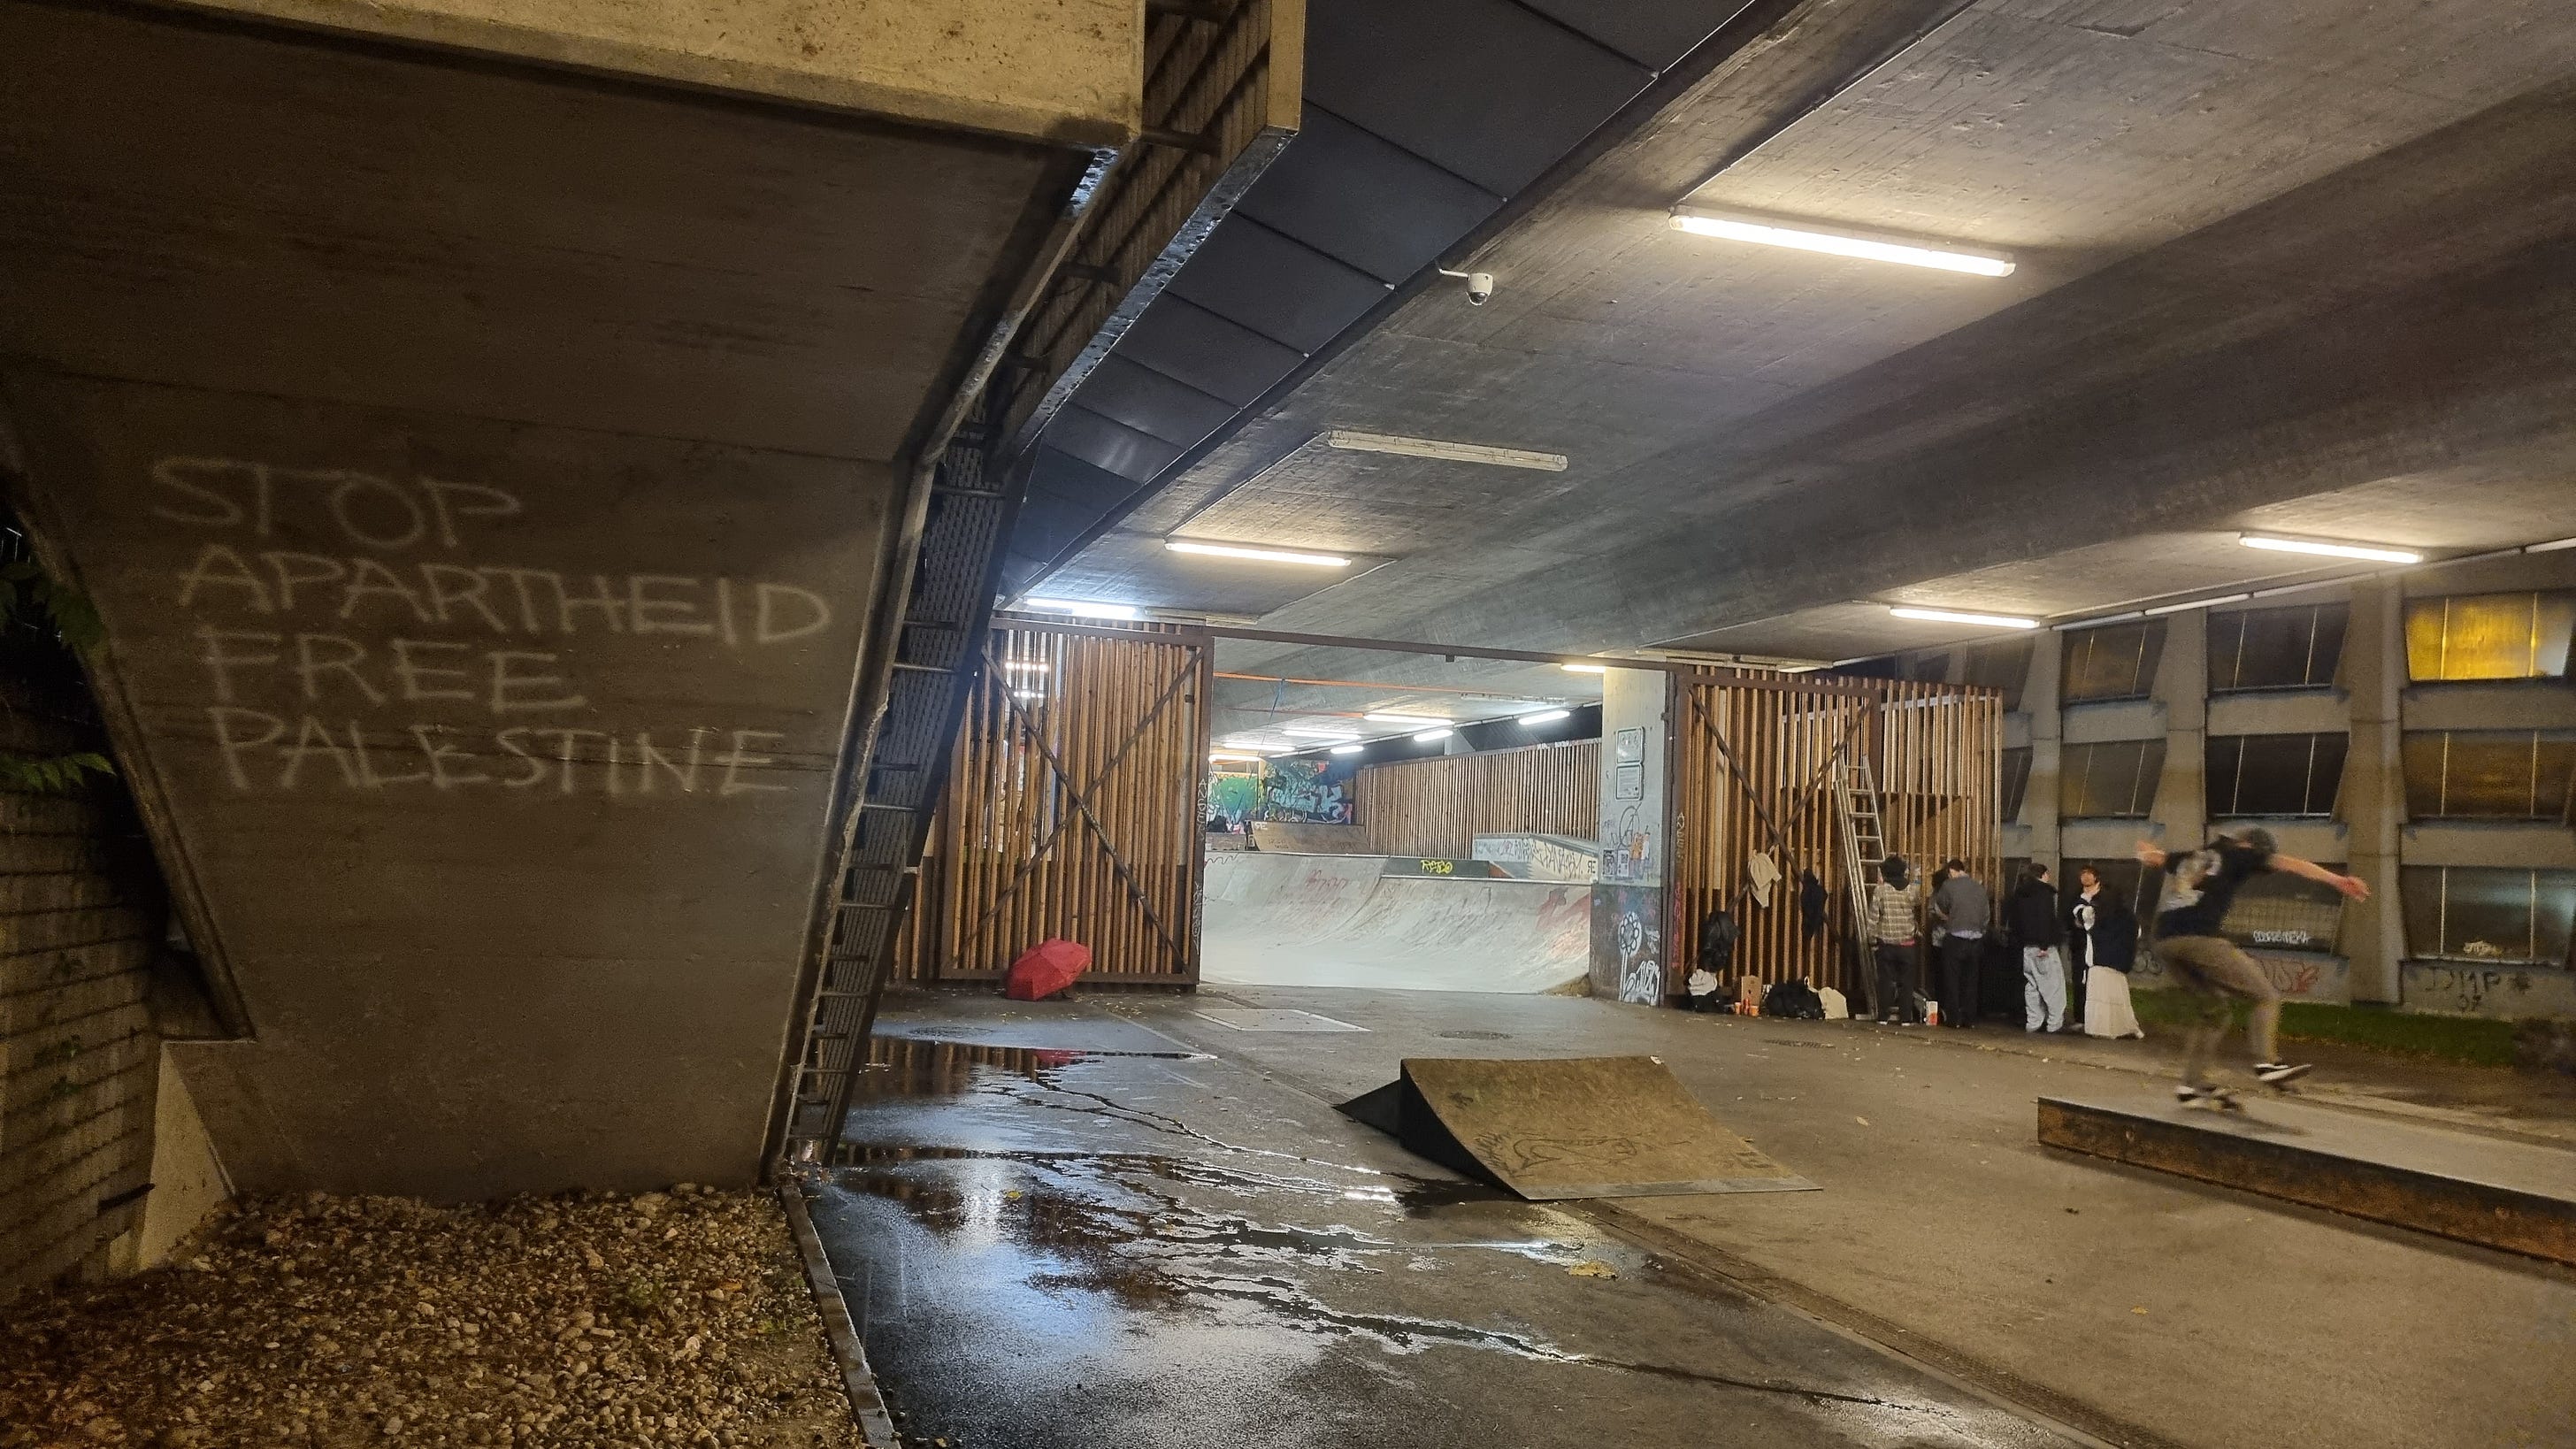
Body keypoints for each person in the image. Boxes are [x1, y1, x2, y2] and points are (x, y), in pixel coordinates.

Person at [2138, 829, 2369, 1102]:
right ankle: (2267, 1063)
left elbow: (2157, 858)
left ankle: (2191, 1085)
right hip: (2199, 939)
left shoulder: (2194, 856)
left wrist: (2146, 852)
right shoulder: (2239, 853)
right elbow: (2290, 864)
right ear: (2250, 845)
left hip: (2164, 942)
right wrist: (2339, 881)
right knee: (2266, 997)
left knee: (2215, 1013)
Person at [2067, 866, 2144, 1039]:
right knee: (2120, 998)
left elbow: (2079, 916)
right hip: (2120, 963)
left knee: (2100, 998)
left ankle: (2103, 1029)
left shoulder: (2096, 914)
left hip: (2099, 960)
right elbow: (2137, 933)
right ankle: (2126, 1027)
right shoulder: (2129, 917)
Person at [2006, 862, 2071, 1033]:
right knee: (2053, 987)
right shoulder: (2044, 894)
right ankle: (2054, 1024)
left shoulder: (2019, 894)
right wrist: (2044, 944)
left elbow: (2015, 922)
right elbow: (2045, 920)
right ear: (2043, 875)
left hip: (2026, 948)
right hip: (2043, 947)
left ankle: (2033, 1022)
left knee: (2032, 986)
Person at [1928, 857, 1989, 1029]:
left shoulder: (1948, 886)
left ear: (1951, 871)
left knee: (1952, 980)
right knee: (1971, 980)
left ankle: (1953, 1018)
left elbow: (1940, 906)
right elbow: (1986, 916)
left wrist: (1949, 918)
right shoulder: (1979, 888)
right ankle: (1969, 1018)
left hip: (1955, 937)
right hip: (1976, 939)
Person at [1864, 855, 1920, 1024]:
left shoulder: (1880, 890)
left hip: (1886, 944)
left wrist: (1871, 937)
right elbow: (1915, 906)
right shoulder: (1912, 890)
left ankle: (1883, 1016)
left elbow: (1873, 917)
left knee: (1886, 982)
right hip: (1907, 944)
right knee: (1907, 983)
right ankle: (1905, 1018)